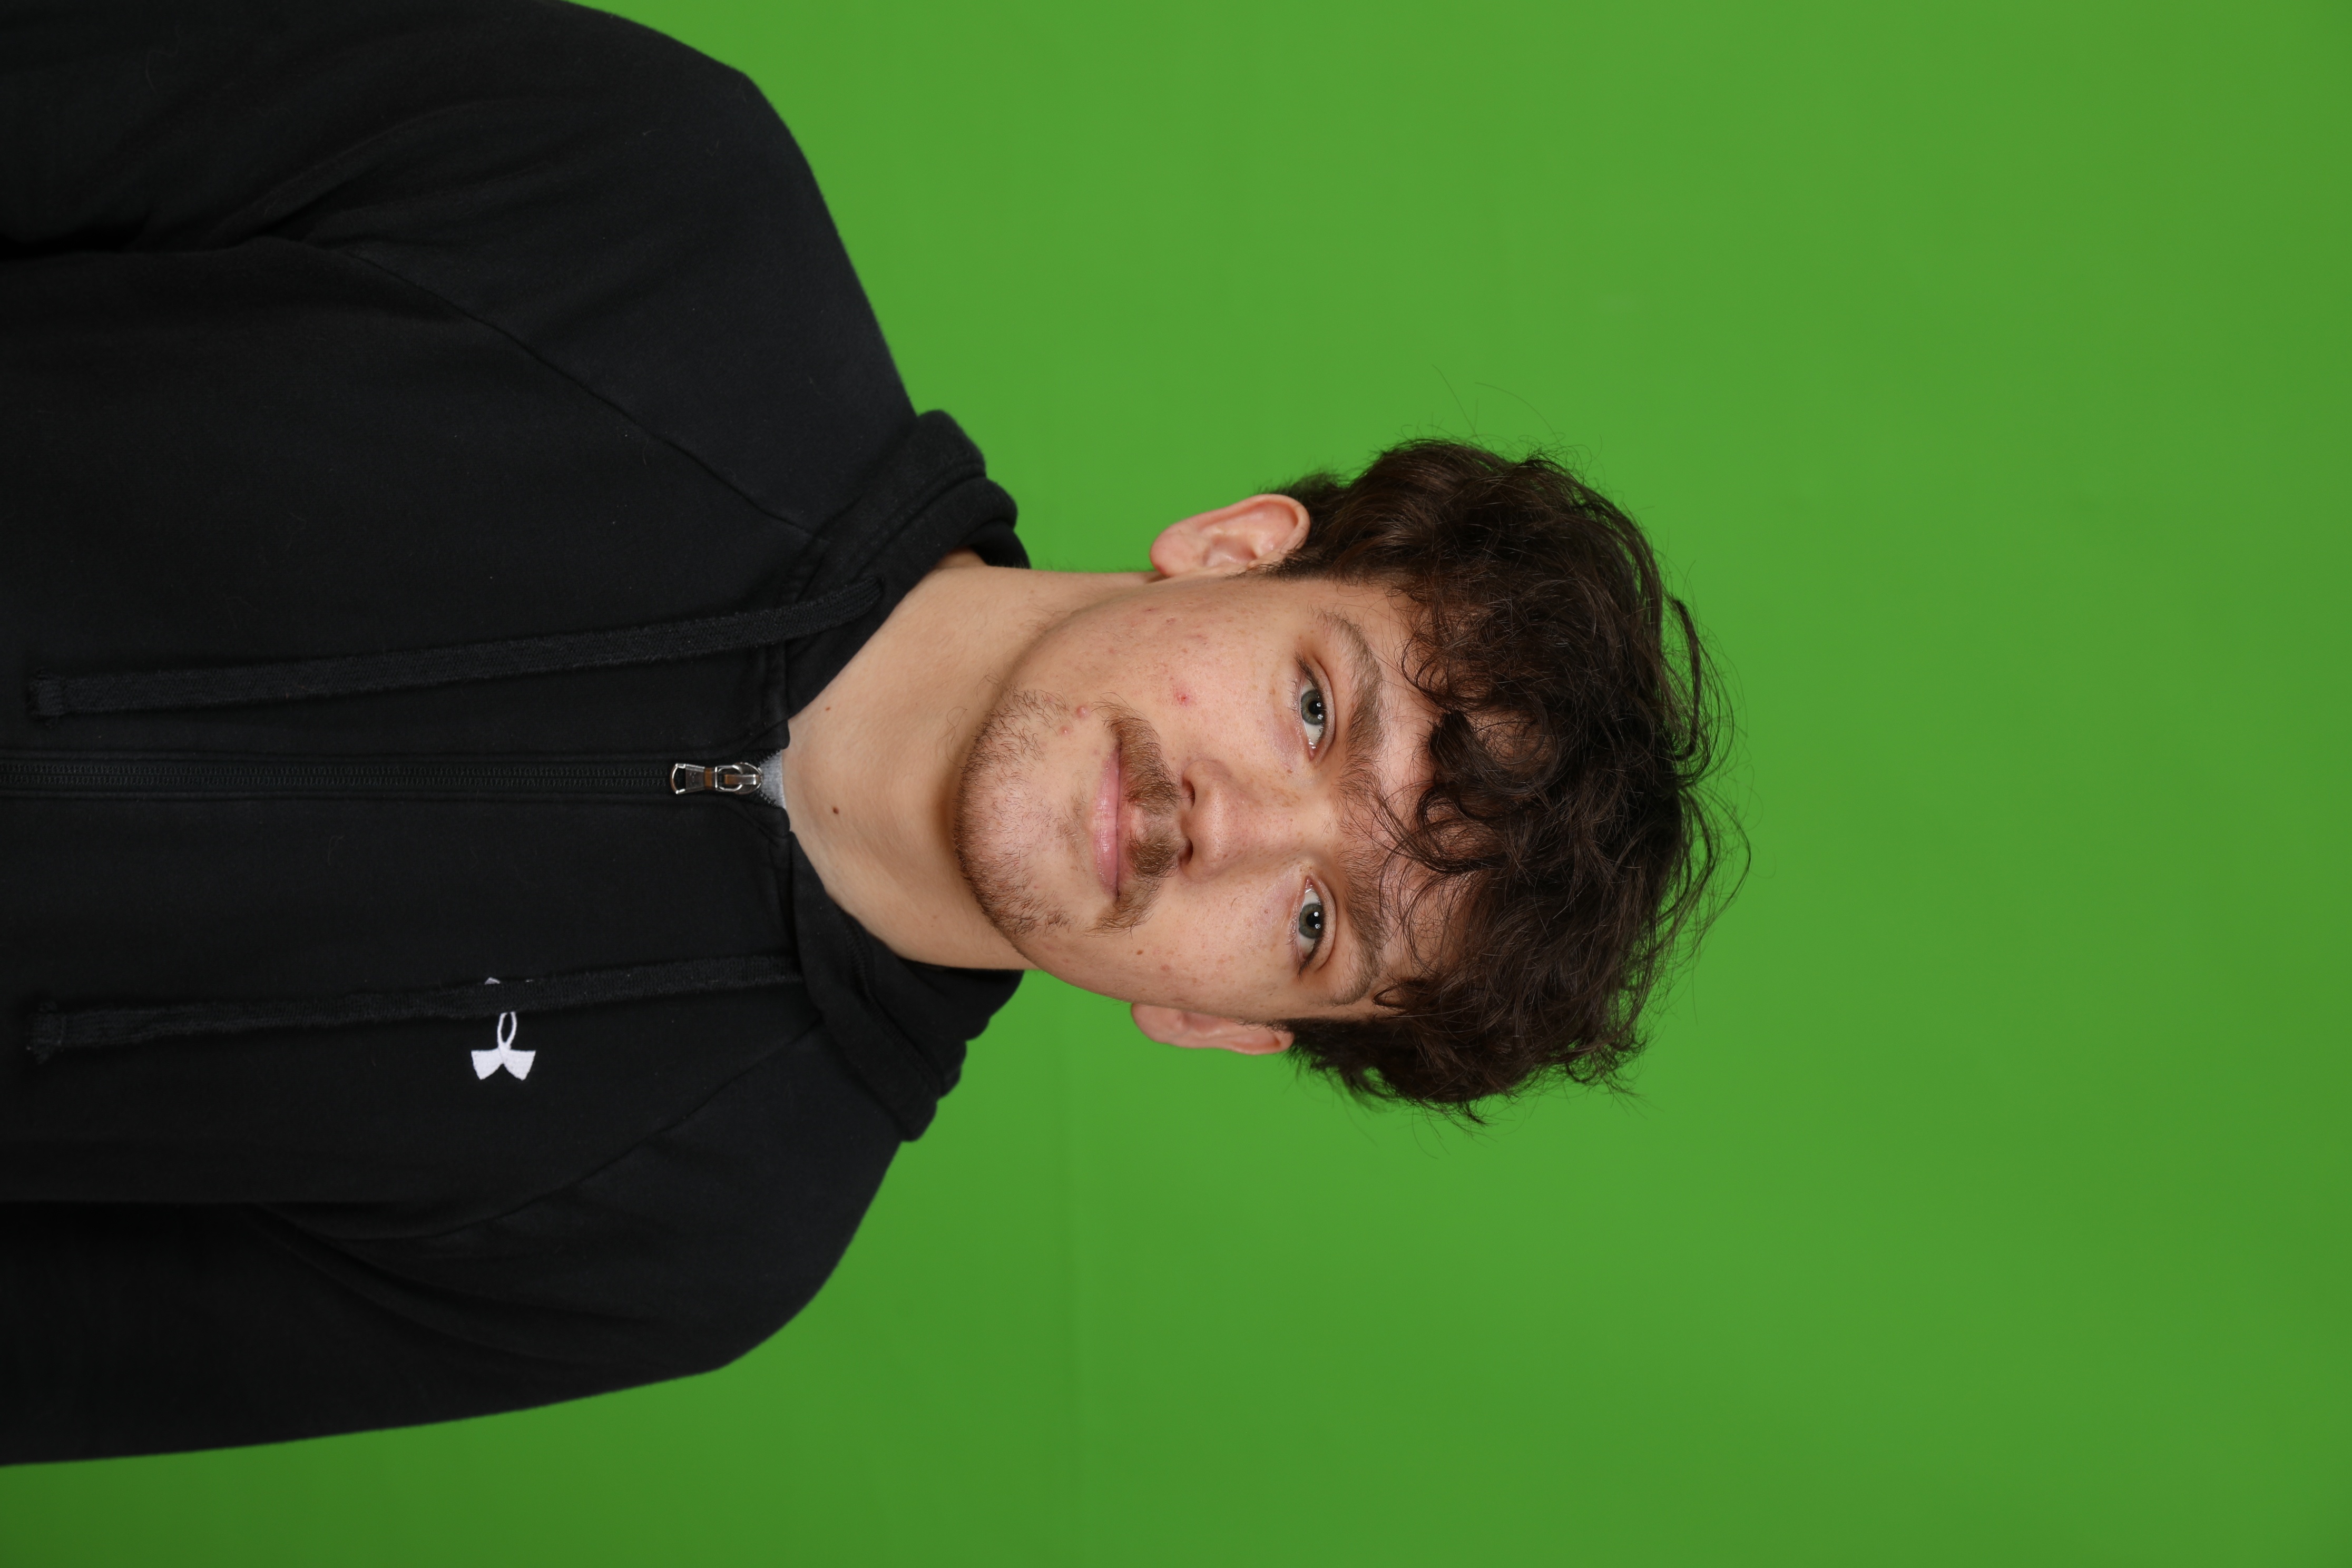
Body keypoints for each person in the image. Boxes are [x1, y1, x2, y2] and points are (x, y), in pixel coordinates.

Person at [0, 0, 1732, 1463]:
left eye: (1314, 924)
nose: (1239, 828)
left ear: (1217, 1022)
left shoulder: (691, 1238)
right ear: (1237, 546)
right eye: (1315, 711)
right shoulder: (644, 195)